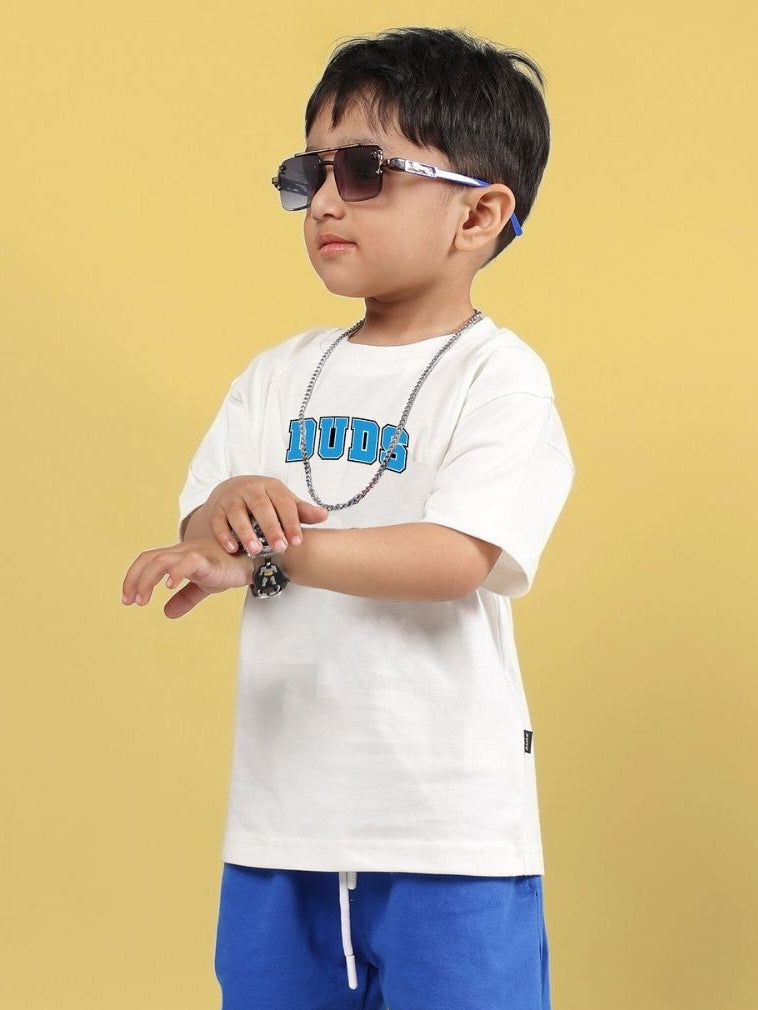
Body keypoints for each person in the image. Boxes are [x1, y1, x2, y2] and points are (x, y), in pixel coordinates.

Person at [122, 25, 575, 1010]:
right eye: (308, 172)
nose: (324, 199)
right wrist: (221, 511)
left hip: (443, 832)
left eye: (364, 169)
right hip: (279, 827)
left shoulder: (499, 379)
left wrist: (276, 552)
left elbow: (457, 553)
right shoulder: (275, 376)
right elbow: (209, 533)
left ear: (478, 215)